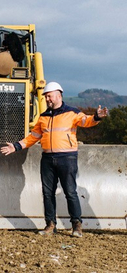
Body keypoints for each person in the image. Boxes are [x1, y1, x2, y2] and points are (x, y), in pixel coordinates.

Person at [0, 81, 108, 238]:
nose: (47, 99)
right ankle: (50, 225)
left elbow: (86, 121)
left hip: (67, 157)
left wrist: (97, 117)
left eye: (49, 96)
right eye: (46, 97)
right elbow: (33, 137)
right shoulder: (43, 117)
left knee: (70, 191)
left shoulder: (72, 112)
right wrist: (16, 146)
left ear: (59, 95)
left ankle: (76, 226)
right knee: (47, 193)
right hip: (48, 159)